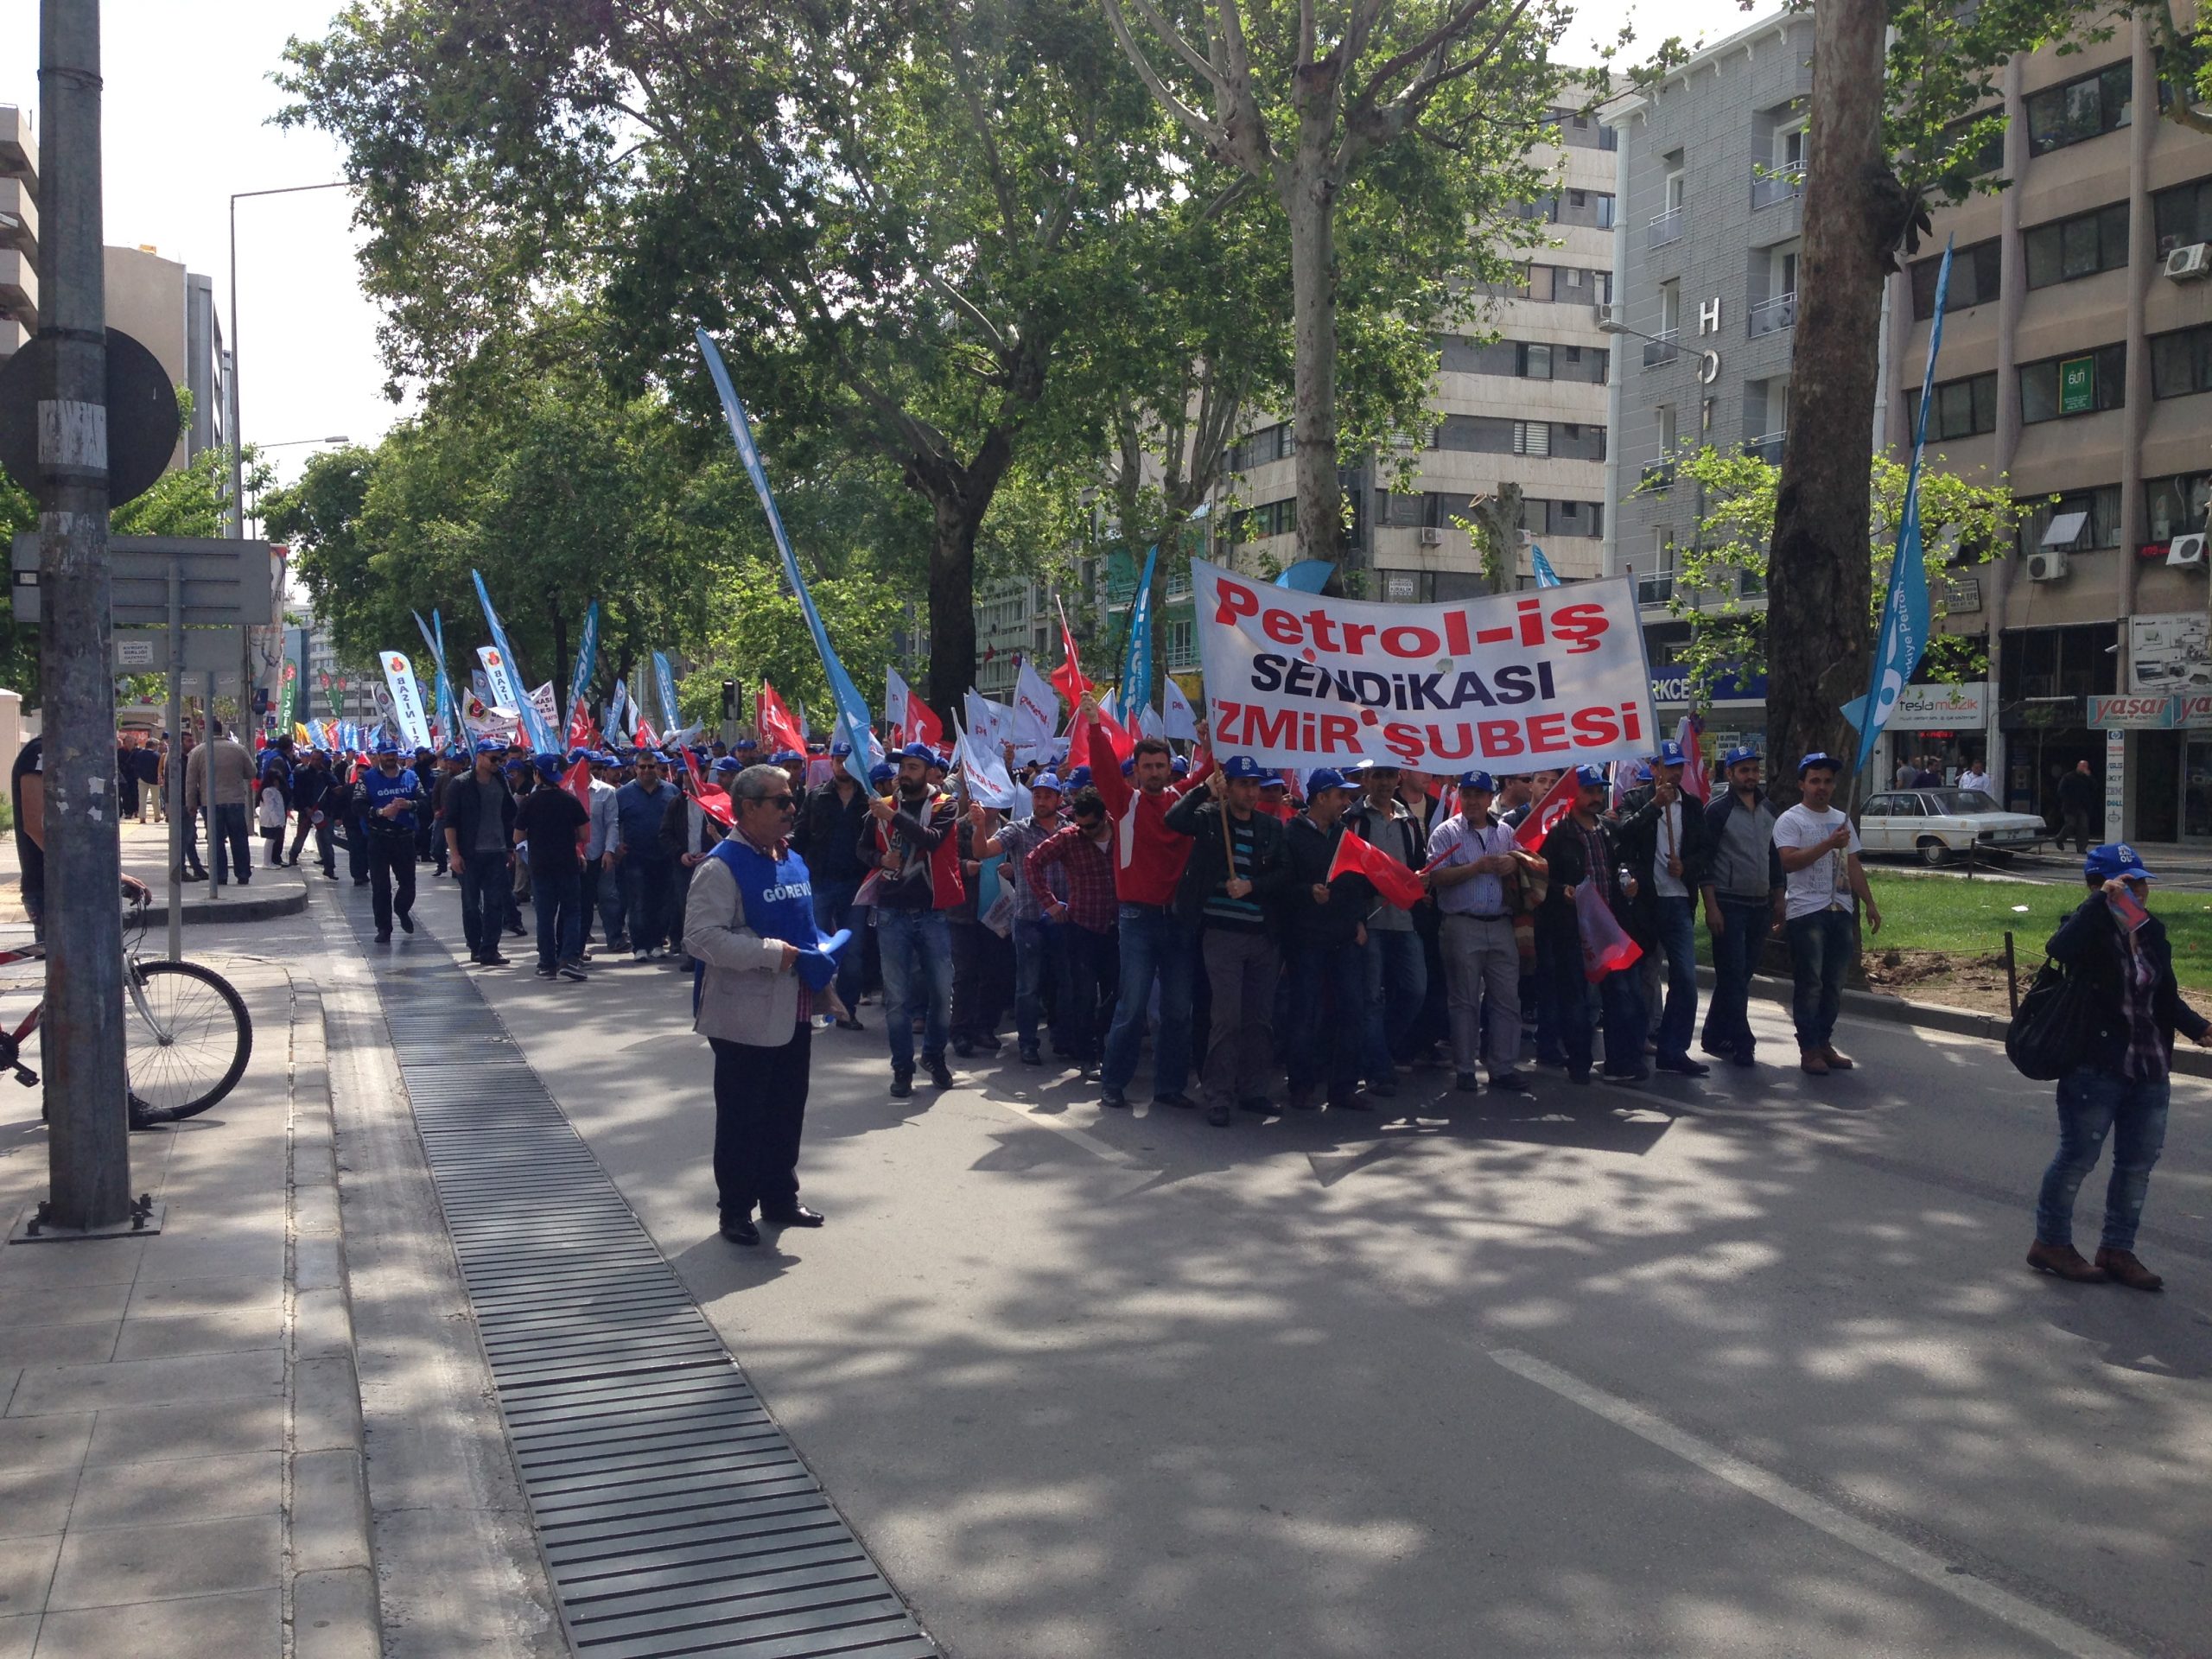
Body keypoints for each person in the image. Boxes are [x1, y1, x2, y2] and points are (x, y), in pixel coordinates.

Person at [2027, 843, 2210, 1288]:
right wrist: (2097, 903)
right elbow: (2060, 948)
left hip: (2149, 1067)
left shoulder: (2151, 932)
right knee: (2078, 1158)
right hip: (2096, 1066)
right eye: (2130, 883)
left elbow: (2164, 998)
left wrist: (2200, 1029)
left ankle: (2117, 1249)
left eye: (2143, 882)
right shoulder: (2085, 929)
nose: (2141, 892)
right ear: (2101, 885)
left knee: (2136, 1165)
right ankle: (2050, 1243)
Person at [683, 762, 842, 1246]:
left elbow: (800, 920)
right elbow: (701, 938)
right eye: (782, 801)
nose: (793, 809)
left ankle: (780, 1196)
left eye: (792, 799)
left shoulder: (791, 858)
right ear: (749, 807)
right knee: (742, 1116)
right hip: (743, 1014)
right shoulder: (720, 866)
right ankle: (735, 1209)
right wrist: (773, 954)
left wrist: (822, 950)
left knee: (786, 1108)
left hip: (793, 1007)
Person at [1084, 709, 1212, 1112]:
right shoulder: (1124, 803)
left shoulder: (1186, 799)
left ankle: (1170, 1087)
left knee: (1178, 1009)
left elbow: (1212, 773)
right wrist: (1093, 725)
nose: (1155, 772)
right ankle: (1113, 1083)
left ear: (1170, 769)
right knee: (1132, 1004)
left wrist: (1209, 743)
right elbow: (1103, 768)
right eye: (1147, 766)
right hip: (1137, 917)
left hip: (1178, 918)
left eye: (1160, 765)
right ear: (1136, 771)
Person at [1165, 755, 1292, 1126]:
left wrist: (1252, 885)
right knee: (1227, 1017)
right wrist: (1205, 788)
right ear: (1229, 786)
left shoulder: (1270, 827)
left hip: (1262, 936)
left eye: (1255, 785)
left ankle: (1253, 1090)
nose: (1251, 792)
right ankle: (1218, 1095)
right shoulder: (1209, 819)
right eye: (1243, 785)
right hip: (1223, 935)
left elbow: (1284, 872)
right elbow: (1173, 819)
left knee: (1259, 1019)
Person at [1537, 764, 1650, 1084]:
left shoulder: (1607, 829)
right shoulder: (1557, 833)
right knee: (1578, 998)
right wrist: (1562, 892)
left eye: (1599, 790)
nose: (1596, 797)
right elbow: (1541, 877)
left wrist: (1630, 880)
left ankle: (1621, 1061)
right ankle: (1580, 1062)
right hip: (1573, 927)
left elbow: (1624, 864)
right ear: (1572, 795)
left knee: (1620, 995)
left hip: (1609, 924)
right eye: (1588, 791)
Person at [862, 742, 963, 1098]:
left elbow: (932, 841)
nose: (904, 774)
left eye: (913, 767)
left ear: (930, 772)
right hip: (892, 915)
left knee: (941, 993)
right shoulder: (884, 807)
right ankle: (902, 1067)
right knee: (897, 999)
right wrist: (878, 858)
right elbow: (862, 849)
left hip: (932, 914)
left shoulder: (944, 805)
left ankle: (933, 1056)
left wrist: (893, 819)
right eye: (901, 767)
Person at [1426, 772, 1535, 1096]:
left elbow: (1522, 859)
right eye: (1467, 793)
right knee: (1464, 1001)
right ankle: (1464, 1069)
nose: (1472, 800)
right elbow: (1435, 876)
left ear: (1491, 798)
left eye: (1479, 794)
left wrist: (1513, 865)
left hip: (1500, 924)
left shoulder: (1504, 831)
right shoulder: (1445, 832)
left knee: (1506, 1001)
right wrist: (1476, 868)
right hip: (1462, 924)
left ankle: (1502, 1067)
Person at [1772, 753, 1881, 1075]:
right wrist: (1828, 844)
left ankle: (1824, 1041)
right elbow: (1788, 862)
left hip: (1840, 909)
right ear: (1802, 784)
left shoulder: (1841, 820)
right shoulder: (1791, 820)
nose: (1822, 787)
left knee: (1834, 983)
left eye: (1828, 781)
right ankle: (1808, 1048)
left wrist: (1870, 903)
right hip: (1807, 910)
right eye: (1815, 780)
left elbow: (1853, 863)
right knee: (1811, 982)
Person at [1281, 767, 1375, 1110]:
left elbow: (1356, 883)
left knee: (1352, 1010)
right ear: (1321, 798)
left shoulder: (1344, 835)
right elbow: (1280, 887)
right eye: (1340, 796)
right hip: (1306, 940)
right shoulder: (1290, 835)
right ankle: (1301, 1085)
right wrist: (1307, 892)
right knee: (1306, 1012)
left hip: (1344, 937)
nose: (1346, 802)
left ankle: (1343, 1087)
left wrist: (1360, 921)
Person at [1618, 741, 1712, 1077]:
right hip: (1644, 903)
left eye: (1679, 767)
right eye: (1668, 766)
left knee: (1685, 978)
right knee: (1639, 978)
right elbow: (1623, 835)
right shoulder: (1635, 800)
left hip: (1678, 901)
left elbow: (1704, 852)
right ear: (1654, 768)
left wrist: (1686, 866)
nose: (1675, 773)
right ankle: (1633, 1044)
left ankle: (1673, 1049)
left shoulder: (1692, 806)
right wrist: (1654, 806)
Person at [1024, 785, 1121, 1077]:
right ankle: (1088, 1055)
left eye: (1090, 825)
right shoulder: (1069, 837)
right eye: (1079, 824)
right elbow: (1032, 862)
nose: (1085, 831)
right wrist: (1050, 903)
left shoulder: (1122, 831)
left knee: (1117, 992)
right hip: (1082, 925)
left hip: (1117, 925)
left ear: (1104, 816)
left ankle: (1107, 1047)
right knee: (1084, 993)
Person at [1344, 760, 1427, 1096]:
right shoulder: (1354, 819)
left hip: (1404, 920)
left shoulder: (1408, 820)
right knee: (1372, 998)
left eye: (1389, 775)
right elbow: (1346, 874)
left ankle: (1378, 1048)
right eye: (1377, 775)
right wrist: (1355, 918)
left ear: (1398, 778)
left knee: (1414, 990)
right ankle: (1379, 1069)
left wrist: (1420, 881)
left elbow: (1418, 864)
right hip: (1371, 920)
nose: (1383, 782)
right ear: (1365, 778)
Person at [1700, 746, 1783, 1067]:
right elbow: (1705, 863)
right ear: (1729, 774)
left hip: (1760, 905)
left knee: (1740, 976)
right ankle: (1742, 1041)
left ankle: (1712, 1033)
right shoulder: (1717, 811)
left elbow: (1773, 857)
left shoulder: (1769, 810)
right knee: (1733, 974)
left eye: (1754, 770)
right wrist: (1711, 907)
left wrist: (1779, 897)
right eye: (1743, 770)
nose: (1750, 776)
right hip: (1728, 904)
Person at [981, 772, 1066, 1063]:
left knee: (1059, 981)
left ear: (1059, 799)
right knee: (1027, 986)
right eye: (1037, 795)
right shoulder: (1017, 830)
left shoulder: (1069, 830)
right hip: (1028, 918)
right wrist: (980, 825)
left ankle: (1060, 1036)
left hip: (1062, 919)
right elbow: (983, 850)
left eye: (1047, 795)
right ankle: (1028, 1043)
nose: (1041, 801)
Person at [798, 751, 874, 1026]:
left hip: (855, 886)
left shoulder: (869, 799)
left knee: (852, 952)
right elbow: (800, 834)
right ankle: (810, 1007)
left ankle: (846, 1009)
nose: (843, 765)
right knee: (814, 948)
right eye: (838, 760)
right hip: (820, 882)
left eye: (848, 759)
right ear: (831, 763)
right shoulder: (817, 796)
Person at [515, 753, 592, 981]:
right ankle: (569, 958)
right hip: (567, 864)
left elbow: (517, 837)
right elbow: (584, 834)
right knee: (571, 912)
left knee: (545, 916)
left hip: (540, 866)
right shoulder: (570, 800)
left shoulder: (529, 802)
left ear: (537, 774)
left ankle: (546, 964)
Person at [443, 739, 517, 966]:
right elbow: (450, 822)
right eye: (494, 758)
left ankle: (490, 949)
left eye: (501, 758)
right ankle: (475, 945)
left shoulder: (500, 780)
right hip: (470, 853)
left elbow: (508, 814)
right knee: (471, 904)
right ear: (480, 757)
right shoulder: (460, 784)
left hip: (496, 851)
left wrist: (510, 846)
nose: (498, 763)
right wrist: (454, 854)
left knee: (495, 902)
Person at [608, 750, 682, 960]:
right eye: (642, 767)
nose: (647, 771)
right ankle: (640, 946)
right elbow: (613, 822)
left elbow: (679, 822)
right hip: (635, 857)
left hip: (665, 856)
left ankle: (657, 943)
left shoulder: (671, 791)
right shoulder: (622, 794)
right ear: (635, 768)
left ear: (658, 767)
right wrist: (616, 846)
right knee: (638, 901)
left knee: (663, 901)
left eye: (651, 766)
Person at [359, 741, 426, 943]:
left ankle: (402, 909)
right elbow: (357, 805)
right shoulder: (368, 778)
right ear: (378, 756)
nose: (390, 758)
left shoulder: (410, 776)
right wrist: (380, 812)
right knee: (380, 887)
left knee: (408, 884)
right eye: (386, 754)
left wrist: (409, 804)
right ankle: (384, 928)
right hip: (379, 838)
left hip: (404, 838)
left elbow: (425, 803)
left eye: (393, 754)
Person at [184, 720, 257, 887]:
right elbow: (252, 772)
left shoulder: (197, 752)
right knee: (239, 838)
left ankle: (220, 875)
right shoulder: (238, 749)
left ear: (205, 732)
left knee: (215, 840)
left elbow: (191, 781)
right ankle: (243, 874)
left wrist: (191, 804)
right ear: (222, 730)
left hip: (210, 801)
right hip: (235, 800)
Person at [10, 734, 43, 943]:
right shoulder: (40, 752)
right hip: (49, 886)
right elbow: (34, 825)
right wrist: (82, 868)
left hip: (69, 884)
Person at [287, 749, 338, 875]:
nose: (315, 762)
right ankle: (293, 854)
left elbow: (335, 789)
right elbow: (298, 793)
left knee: (326, 839)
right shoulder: (302, 774)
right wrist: (305, 807)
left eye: (318, 760)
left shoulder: (327, 774)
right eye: (313, 759)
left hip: (324, 811)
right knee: (301, 836)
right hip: (307, 810)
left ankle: (329, 867)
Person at [2057, 759, 2101, 854]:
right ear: (2078, 766)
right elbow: (2061, 791)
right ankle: (2060, 839)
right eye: (2082, 766)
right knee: (2070, 824)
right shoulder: (2068, 777)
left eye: (2086, 767)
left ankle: (2081, 848)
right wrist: (2067, 800)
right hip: (2070, 806)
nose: (2084, 768)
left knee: (2083, 828)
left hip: (2082, 807)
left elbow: (2095, 788)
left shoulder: (2087, 778)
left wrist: (2089, 776)